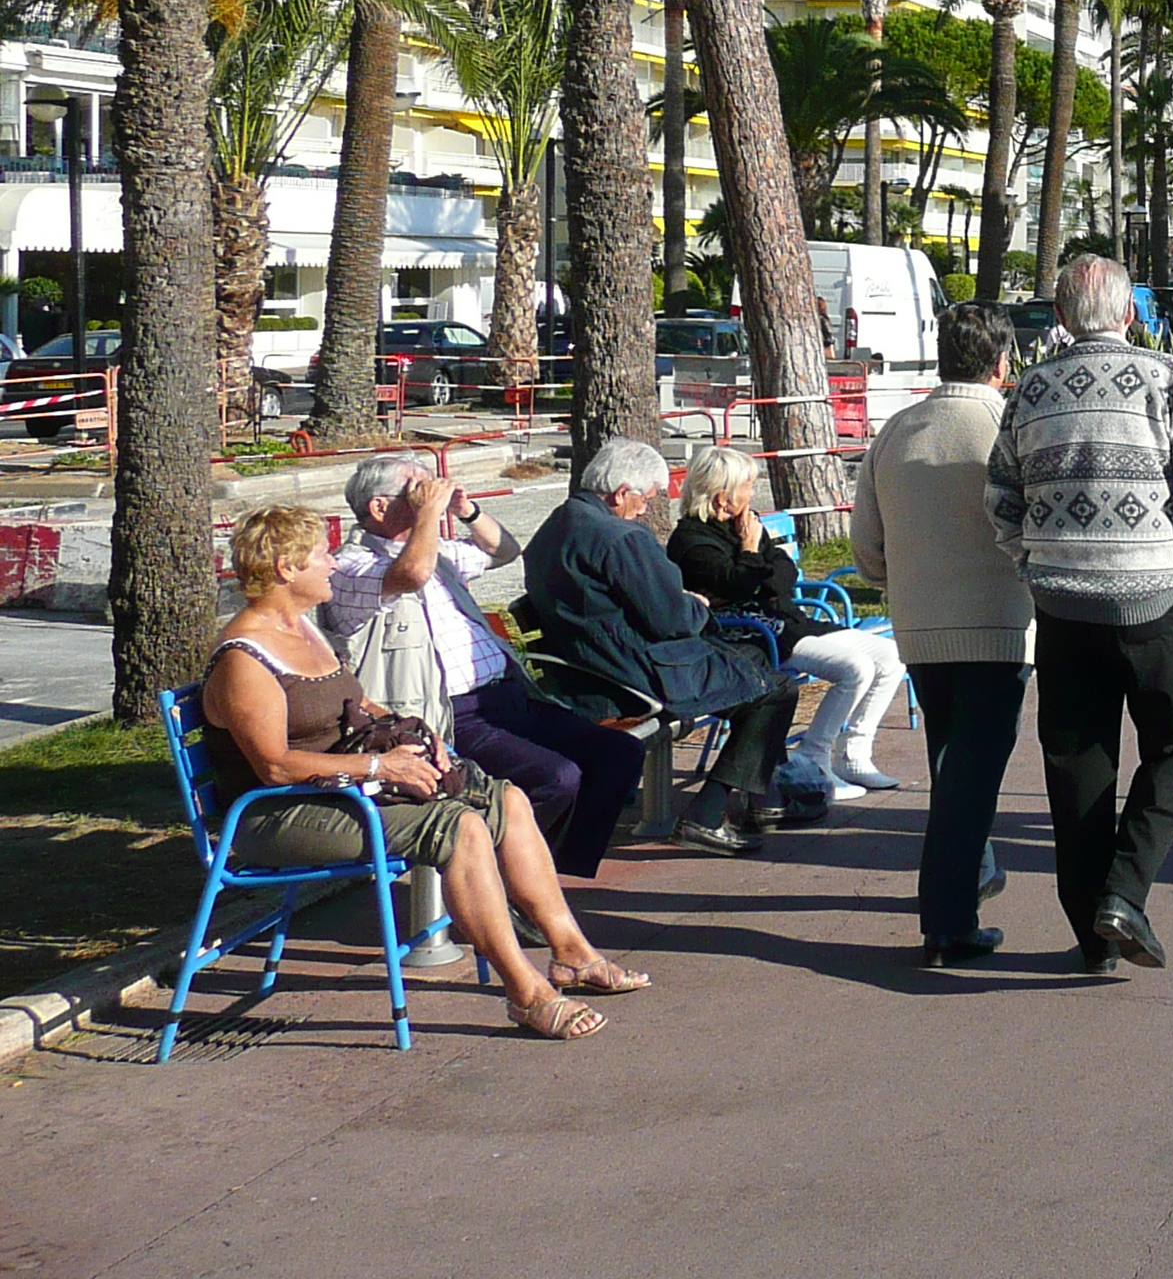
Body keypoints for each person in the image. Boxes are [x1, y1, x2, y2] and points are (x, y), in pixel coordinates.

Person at [210, 507, 645, 1039]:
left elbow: (361, 704)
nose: (330, 564)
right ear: (285, 568)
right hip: (280, 814)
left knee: (504, 798)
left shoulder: (302, 629)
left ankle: (572, 953)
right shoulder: (246, 657)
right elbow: (274, 765)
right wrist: (379, 764)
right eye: (320, 555)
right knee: (458, 827)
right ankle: (526, 993)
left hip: (342, 791)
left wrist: (416, 735)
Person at [989, 253, 1173, 973]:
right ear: (1130, 315)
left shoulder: (1028, 391)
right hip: (1156, 601)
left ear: (1060, 319)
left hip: (1063, 609)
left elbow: (1001, 499)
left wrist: (1032, 566)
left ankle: (1093, 936)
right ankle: (1125, 893)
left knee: (1077, 766)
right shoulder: (1168, 379)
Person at [327, 453, 643, 877]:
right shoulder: (352, 566)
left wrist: (466, 511)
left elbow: (506, 551)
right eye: (416, 491)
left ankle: (550, 875)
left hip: (506, 696)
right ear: (378, 508)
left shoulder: (434, 553)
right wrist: (428, 515)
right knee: (557, 778)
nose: (430, 497)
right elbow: (411, 574)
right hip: (447, 716)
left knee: (618, 753)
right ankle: (505, 882)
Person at [520, 438, 806, 856]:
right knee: (775, 689)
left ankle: (762, 797)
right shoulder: (621, 538)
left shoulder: (555, 526)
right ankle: (708, 814)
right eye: (646, 500)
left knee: (753, 669)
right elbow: (672, 620)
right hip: (632, 676)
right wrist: (698, 605)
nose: (646, 510)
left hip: (578, 671)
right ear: (621, 493)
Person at [856, 302, 1031, 964]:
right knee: (975, 772)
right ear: (1001, 361)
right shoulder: (1007, 424)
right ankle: (947, 916)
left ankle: (963, 885)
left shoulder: (897, 430)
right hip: (999, 624)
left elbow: (868, 548)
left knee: (950, 762)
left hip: (921, 627)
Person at [669, 448, 911, 796]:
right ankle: (815, 758)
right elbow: (741, 582)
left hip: (786, 622)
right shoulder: (692, 541)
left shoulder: (744, 524)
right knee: (855, 668)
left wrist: (756, 574)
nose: (753, 493)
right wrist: (752, 558)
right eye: (748, 486)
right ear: (723, 496)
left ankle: (855, 752)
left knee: (890, 656)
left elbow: (784, 571)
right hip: (751, 637)